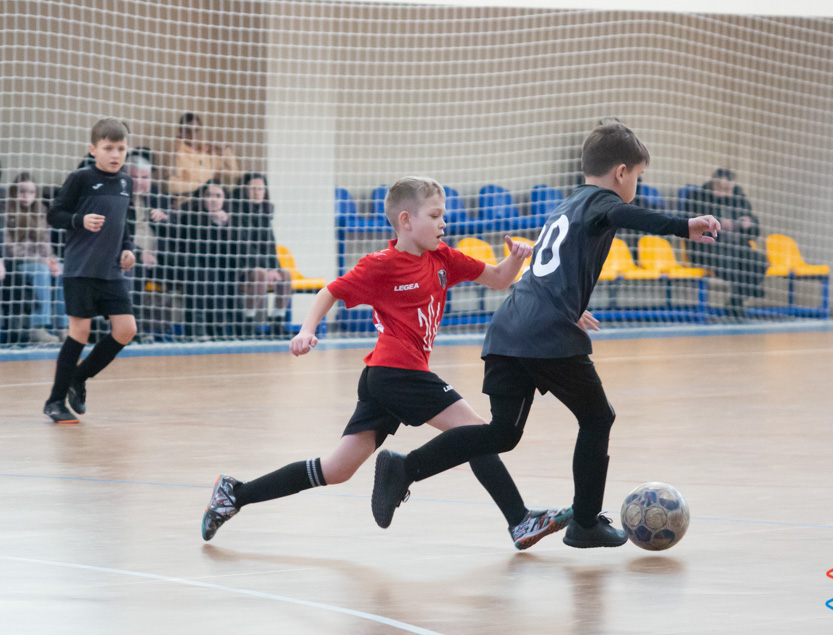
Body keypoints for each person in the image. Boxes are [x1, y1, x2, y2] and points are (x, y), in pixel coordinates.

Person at [370, 123, 721, 548]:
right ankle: (585, 523)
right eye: (638, 177)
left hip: (511, 326)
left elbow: (549, 268)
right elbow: (622, 214)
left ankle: (405, 468)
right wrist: (683, 226)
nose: (637, 186)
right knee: (598, 418)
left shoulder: (567, 204)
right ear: (621, 172)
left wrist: (569, 306)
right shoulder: (603, 201)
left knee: (503, 433)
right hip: (545, 334)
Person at [201, 176, 573, 551]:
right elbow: (330, 291)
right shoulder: (381, 264)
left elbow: (499, 279)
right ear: (406, 220)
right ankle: (519, 519)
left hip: (384, 379)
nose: (444, 223)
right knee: (476, 432)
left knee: (336, 470)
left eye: (444, 215)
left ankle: (234, 494)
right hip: (397, 372)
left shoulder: (444, 258)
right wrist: (306, 330)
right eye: (435, 216)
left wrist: (516, 258)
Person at [43, 118, 138, 424]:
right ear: (93, 149)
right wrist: (79, 220)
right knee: (80, 333)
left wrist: (128, 248)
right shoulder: (80, 178)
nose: (115, 154)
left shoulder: (126, 183)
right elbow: (54, 214)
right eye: (108, 148)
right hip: (80, 270)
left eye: (121, 148)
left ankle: (78, 378)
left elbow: (125, 222)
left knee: (126, 330)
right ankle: (54, 401)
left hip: (111, 272)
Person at [683, 168, 768, 319]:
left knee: (759, 261)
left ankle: (737, 300)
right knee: (735, 264)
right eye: (720, 188)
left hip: (737, 248)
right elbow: (690, 226)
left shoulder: (740, 200)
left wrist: (749, 225)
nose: (724, 192)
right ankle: (749, 290)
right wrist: (719, 224)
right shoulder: (698, 198)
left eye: (728, 189)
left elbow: (754, 233)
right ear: (713, 184)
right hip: (708, 249)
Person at [3, 173, 63, 344]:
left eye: (31, 192)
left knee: (64, 271)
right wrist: (40, 260)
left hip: (39, 260)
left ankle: (64, 327)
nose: (26, 196)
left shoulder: (42, 211)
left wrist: (51, 260)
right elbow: (8, 248)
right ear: (14, 192)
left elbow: (45, 242)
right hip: (16, 263)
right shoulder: (5, 212)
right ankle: (38, 327)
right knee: (41, 271)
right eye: (22, 191)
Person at [231, 173, 292, 338]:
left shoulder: (265, 213)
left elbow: (270, 246)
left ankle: (277, 322)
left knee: (285, 275)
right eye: (253, 188)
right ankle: (247, 322)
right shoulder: (237, 214)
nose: (257, 192)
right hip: (241, 265)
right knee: (260, 274)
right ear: (245, 190)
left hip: (262, 265)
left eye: (260, 189)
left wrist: (275, 269)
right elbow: (244, 247)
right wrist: (266, 269)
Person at [173, 182, 235, 340]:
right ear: (201, 198)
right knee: (203, 274)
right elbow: (196, 248)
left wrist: (223, 227)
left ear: (224, 199)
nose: (213, 200)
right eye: (209, 195)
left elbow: (230, 252)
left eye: (218, 196)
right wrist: (213, 224)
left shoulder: (231, 220)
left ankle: (222, 327)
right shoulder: (190, 216)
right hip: (190, 265)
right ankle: (198, 329)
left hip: (218, 268)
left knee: (227, 273)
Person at [125, 151, 174, 341]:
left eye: (144, 177)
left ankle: (201, 327)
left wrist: (166, 218)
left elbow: (178, 227)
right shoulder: (119, 198)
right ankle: (135, 329)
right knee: (135, 268)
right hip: (129, 254)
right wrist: (140, 253)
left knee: (192, 266)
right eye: (134, 177)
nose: (139, 182)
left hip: (159, 255)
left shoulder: (158, 197)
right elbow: (117, 235)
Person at [165, 113, 241, 207]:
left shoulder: (208, 154)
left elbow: (234, 175)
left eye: (196, 130)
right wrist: (203, 188)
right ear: (181, 132)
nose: (193, 135)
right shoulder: (176, 154)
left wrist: (225, 150)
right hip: (189, 204)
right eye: (188, 131)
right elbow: (171, 186)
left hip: (211, 204)